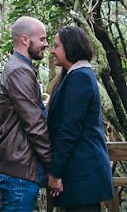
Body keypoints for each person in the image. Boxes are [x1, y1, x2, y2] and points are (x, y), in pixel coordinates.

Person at [0, 16, 56, 212]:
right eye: (42, 39)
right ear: (25, 40)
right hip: (18, 173)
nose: (46, 44)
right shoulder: (19, 71)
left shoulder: (22, 68)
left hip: (19, 170)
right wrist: (53, 167)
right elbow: (34, 125)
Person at [46, 25, 113, 211]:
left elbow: (69, 129)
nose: (52, 50)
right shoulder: (74, 76)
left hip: (83, 174)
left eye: (56, 46)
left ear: (71, 47)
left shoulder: (80, 77)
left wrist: (56, 173)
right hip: (80, 173)